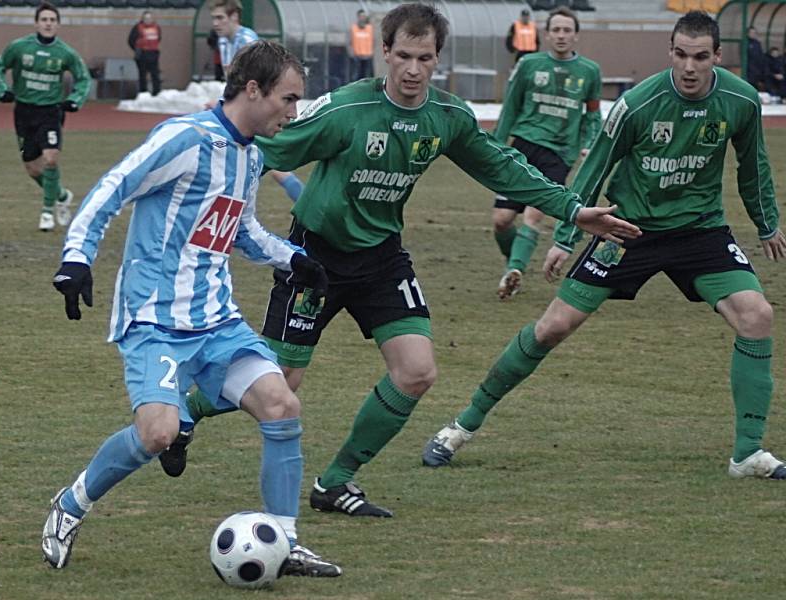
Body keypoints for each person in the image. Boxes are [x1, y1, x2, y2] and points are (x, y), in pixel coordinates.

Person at [166, 2, 640, 517]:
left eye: (426, 58)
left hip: (381, 260)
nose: (414, 70)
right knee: (279, 381)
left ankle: (336, 481)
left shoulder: (446, 117)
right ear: (385, 54)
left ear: (438, 59)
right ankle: (184, 414)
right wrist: (201, 216)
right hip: (314, 258)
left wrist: (572, 209)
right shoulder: (346, 110)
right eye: (405, 56)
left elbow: (503, 168)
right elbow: (261, 149)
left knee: (416, 371)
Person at [422, 11, 786, 484]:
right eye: (680, 55)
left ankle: (747, 454)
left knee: (757, 315)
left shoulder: (739, 100)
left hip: (701, 231)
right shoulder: (638, 103)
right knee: (552, 327)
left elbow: (753, 165)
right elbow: (596, 166)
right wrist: (567, 237)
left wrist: (767, 224)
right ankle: (461, 426)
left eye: (700, 57)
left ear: (718, 56)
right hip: (626, 230)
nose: (690, 67)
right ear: (669, 54)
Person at [41, 41, 341, 578]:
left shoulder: (250, 155)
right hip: (154, 319)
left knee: (281, 404)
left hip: (217, 320)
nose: (294, 112)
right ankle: (70, 505)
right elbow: (113, 187)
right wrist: (77, 259)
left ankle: (286, 539)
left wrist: (295, 259)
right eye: (289, 98)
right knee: (156, 434)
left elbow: (239, 229)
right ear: (254, 89)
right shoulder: (184, 138)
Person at [491, 7, 602, 299]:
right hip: (522, 147)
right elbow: (511, 106)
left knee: (533, 216)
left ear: (576, 35)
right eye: (556, 30)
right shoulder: (529, 64)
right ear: (547, 34)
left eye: (567, 30)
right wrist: (497, 143)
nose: (562, 35)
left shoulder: (589, 72)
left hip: (558, 154)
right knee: (501, 220)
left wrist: (590, 142)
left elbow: (592, 114)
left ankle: (514, 271)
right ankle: (512, 261)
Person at [0, 1, 91, 232]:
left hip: (51, 111)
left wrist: (75, 99)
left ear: (58, 25)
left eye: (52, 20)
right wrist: (1, 90)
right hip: (24, 112)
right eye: (44, 20)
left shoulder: (65, 52)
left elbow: (83, 78)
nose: (48, 24)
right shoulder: (19, 47)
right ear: (36, 23)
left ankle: (47, 212)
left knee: (51, 159)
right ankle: (62, 195)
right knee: (33, 169)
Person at [210, 0, 303, 204]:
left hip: (253, 114)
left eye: (220, 18)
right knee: (260, 163)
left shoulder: (247, 40)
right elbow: (234, 83)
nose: (215, 23)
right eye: (213, 18)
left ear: (234, 17)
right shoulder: (224, 41)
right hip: (239, 111)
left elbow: (253, 84)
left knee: (256, 161)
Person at [128, 10, 162, 96]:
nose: (148, 20)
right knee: (142, 74)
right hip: (142, 53)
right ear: (143, 19)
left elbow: (159, 38)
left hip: (153, 53)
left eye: (149, 18)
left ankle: (156, 92)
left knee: (155, 74)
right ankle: (143, 92)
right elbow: (131, 40)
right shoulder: (138, 27)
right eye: (146, 18)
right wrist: (137, 49)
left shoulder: (156, 27)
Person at [349, 9, 375, 81]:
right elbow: (349, 41)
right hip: (357, 56)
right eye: (361, 16)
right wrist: (351, 53)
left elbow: (373, 41)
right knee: (356, 75)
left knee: (367, 76)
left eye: (364, 16)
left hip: (368, 56)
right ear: (358, 17)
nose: (363, 18)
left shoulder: (370, 28)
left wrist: (372, 52)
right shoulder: (353, 28)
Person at [745, 26, 766, 90]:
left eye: (754, 33)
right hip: (749, 68)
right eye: (751, 32)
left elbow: (760, 55)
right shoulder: (745, 42)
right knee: (749, 85)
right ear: (747, 33)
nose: (753, 34)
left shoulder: (757, 43)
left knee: (756, 86)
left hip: (757, 68)